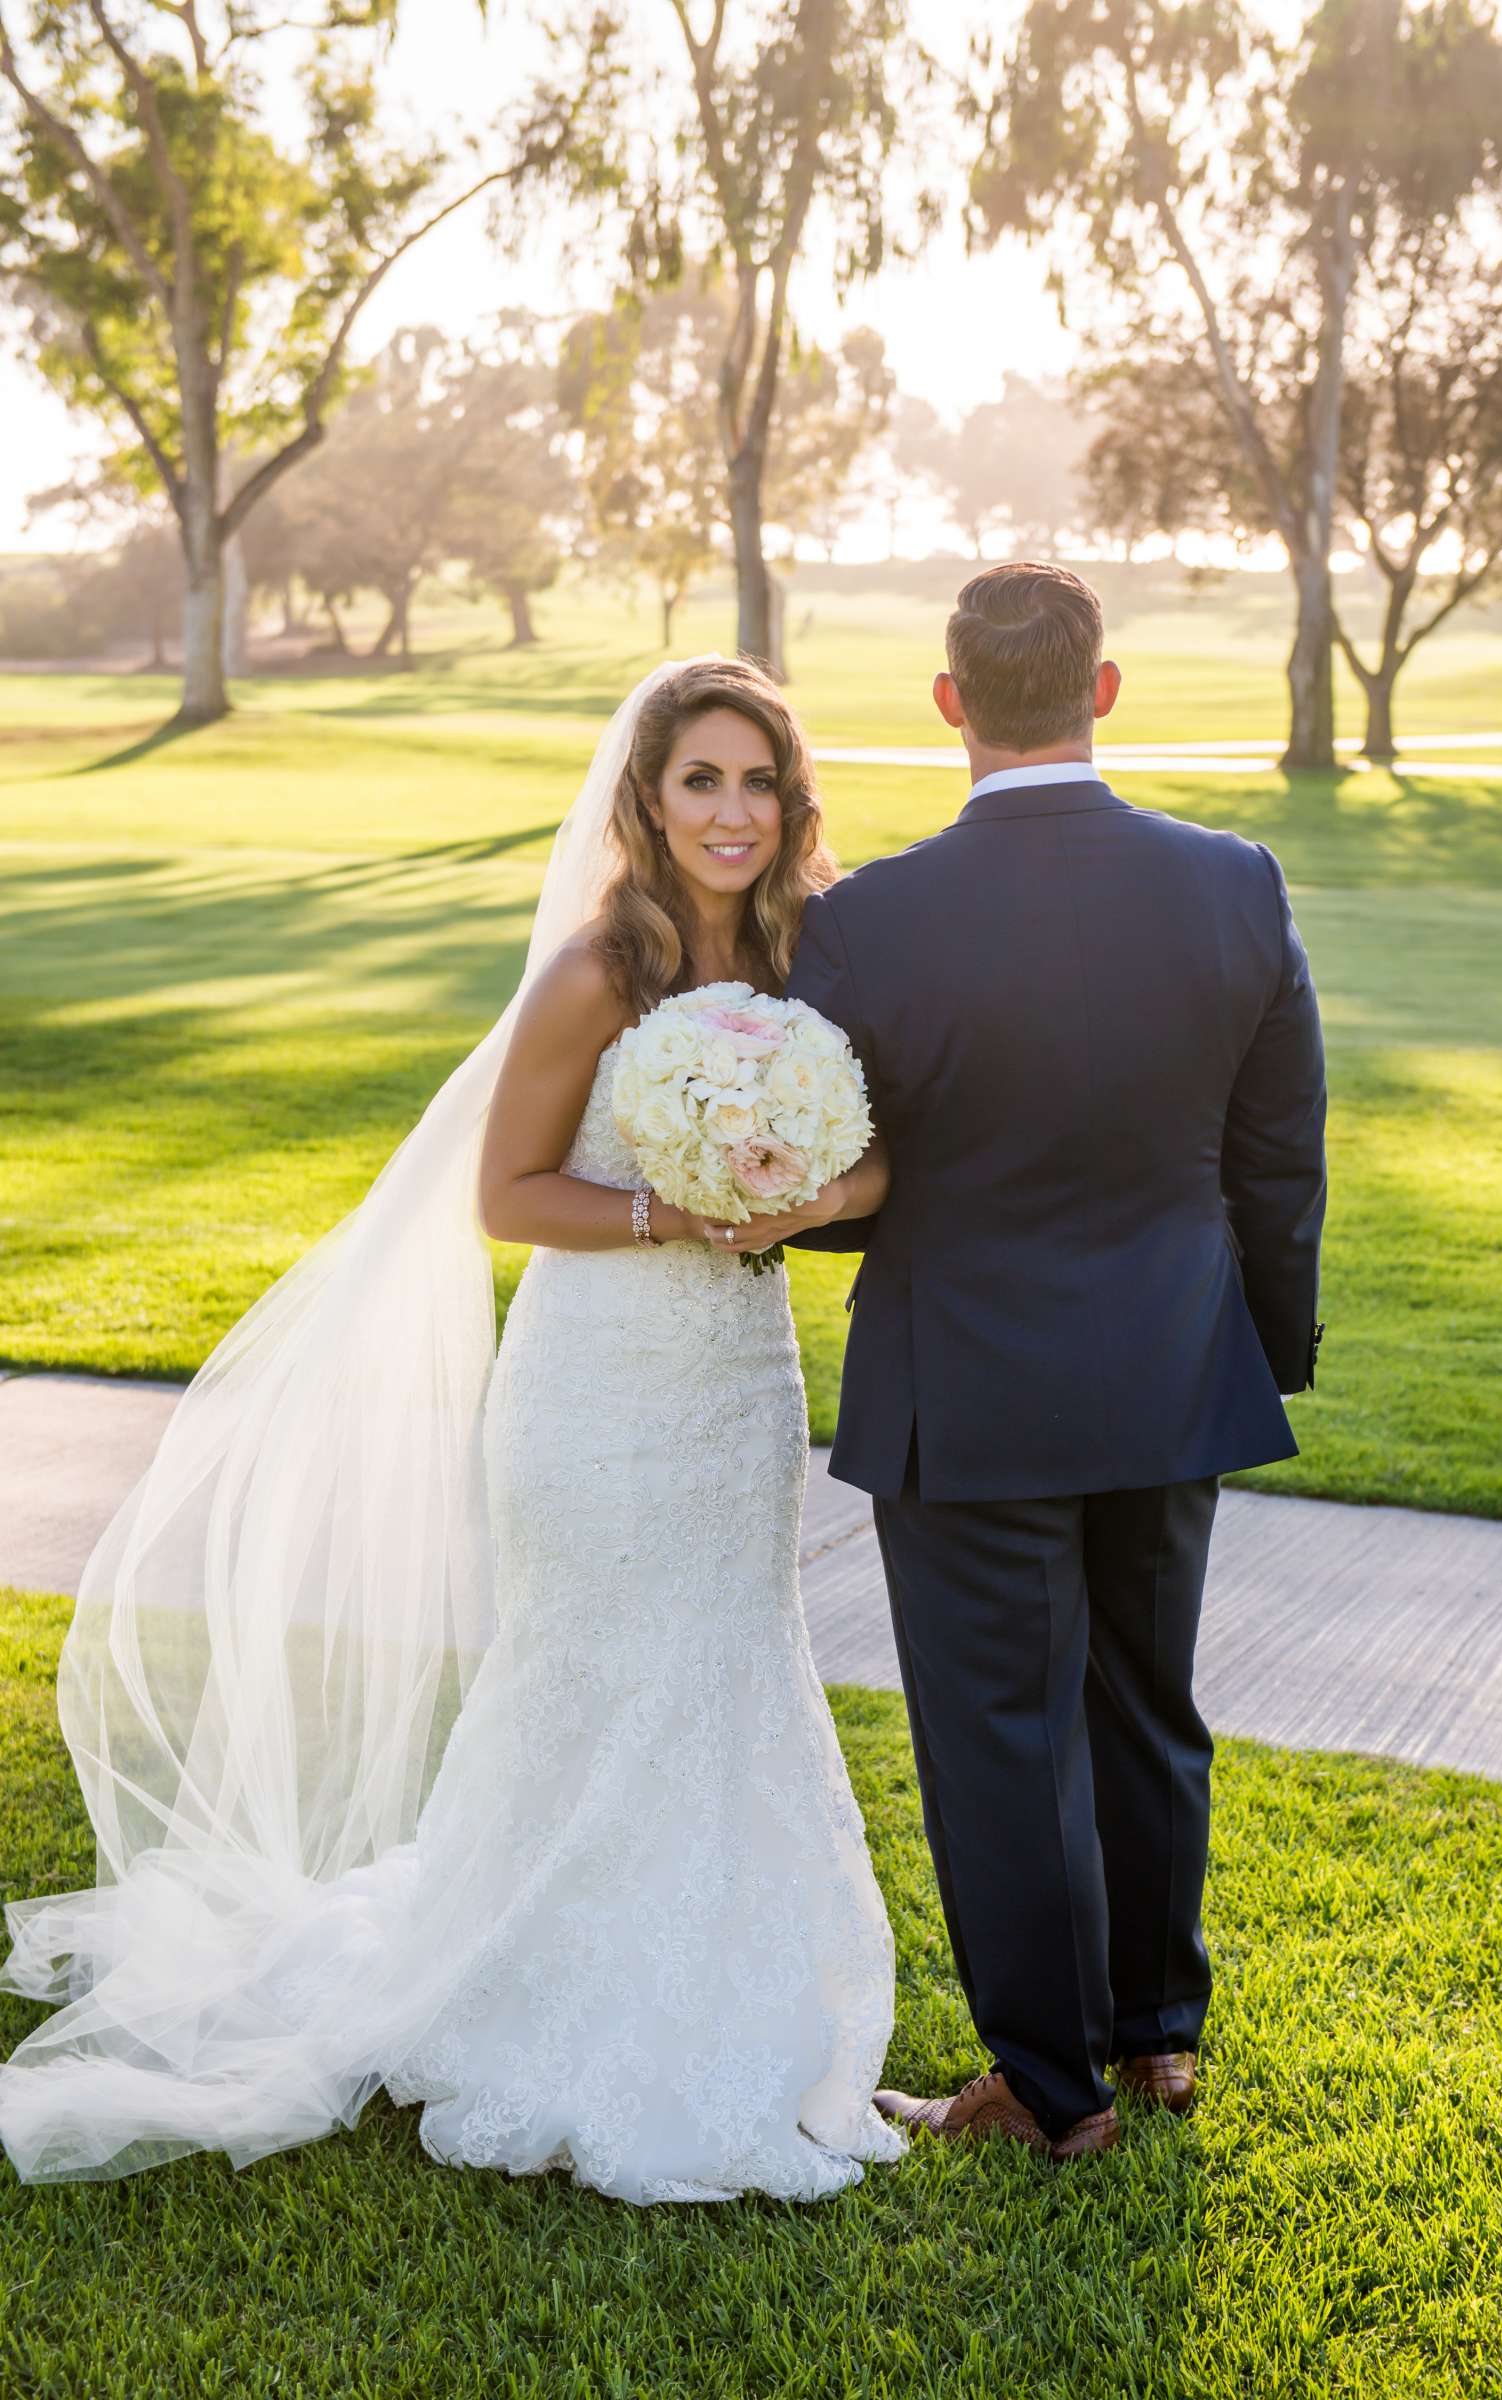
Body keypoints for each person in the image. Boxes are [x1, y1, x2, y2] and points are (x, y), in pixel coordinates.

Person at [0, 659, 903, 2203]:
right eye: (701, 780)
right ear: (647, 796)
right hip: (597, 1386)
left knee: (726, 1665)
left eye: (757, 779)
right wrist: (673, 1205)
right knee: (593, 1676)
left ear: (791, 793)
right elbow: (508, 1196)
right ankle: (532, 1994)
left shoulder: (821, 960)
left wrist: (809, 1196)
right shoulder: (594, 973)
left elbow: (886, 1164)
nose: (733, 811)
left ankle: (735, 2003)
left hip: (736, 1382)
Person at [759, 562, 1328, 2161]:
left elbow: (819, 1189)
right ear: (1105, 690)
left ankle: (1048, 2085)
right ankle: (1154, 2042)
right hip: (1173, 1371)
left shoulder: (864, 922)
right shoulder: (1234, 883)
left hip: (969, 1389)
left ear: (950, 703)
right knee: (1147, 1706)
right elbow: (1277, 1155)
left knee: (1005, 1733)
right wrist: (1256, 1352)